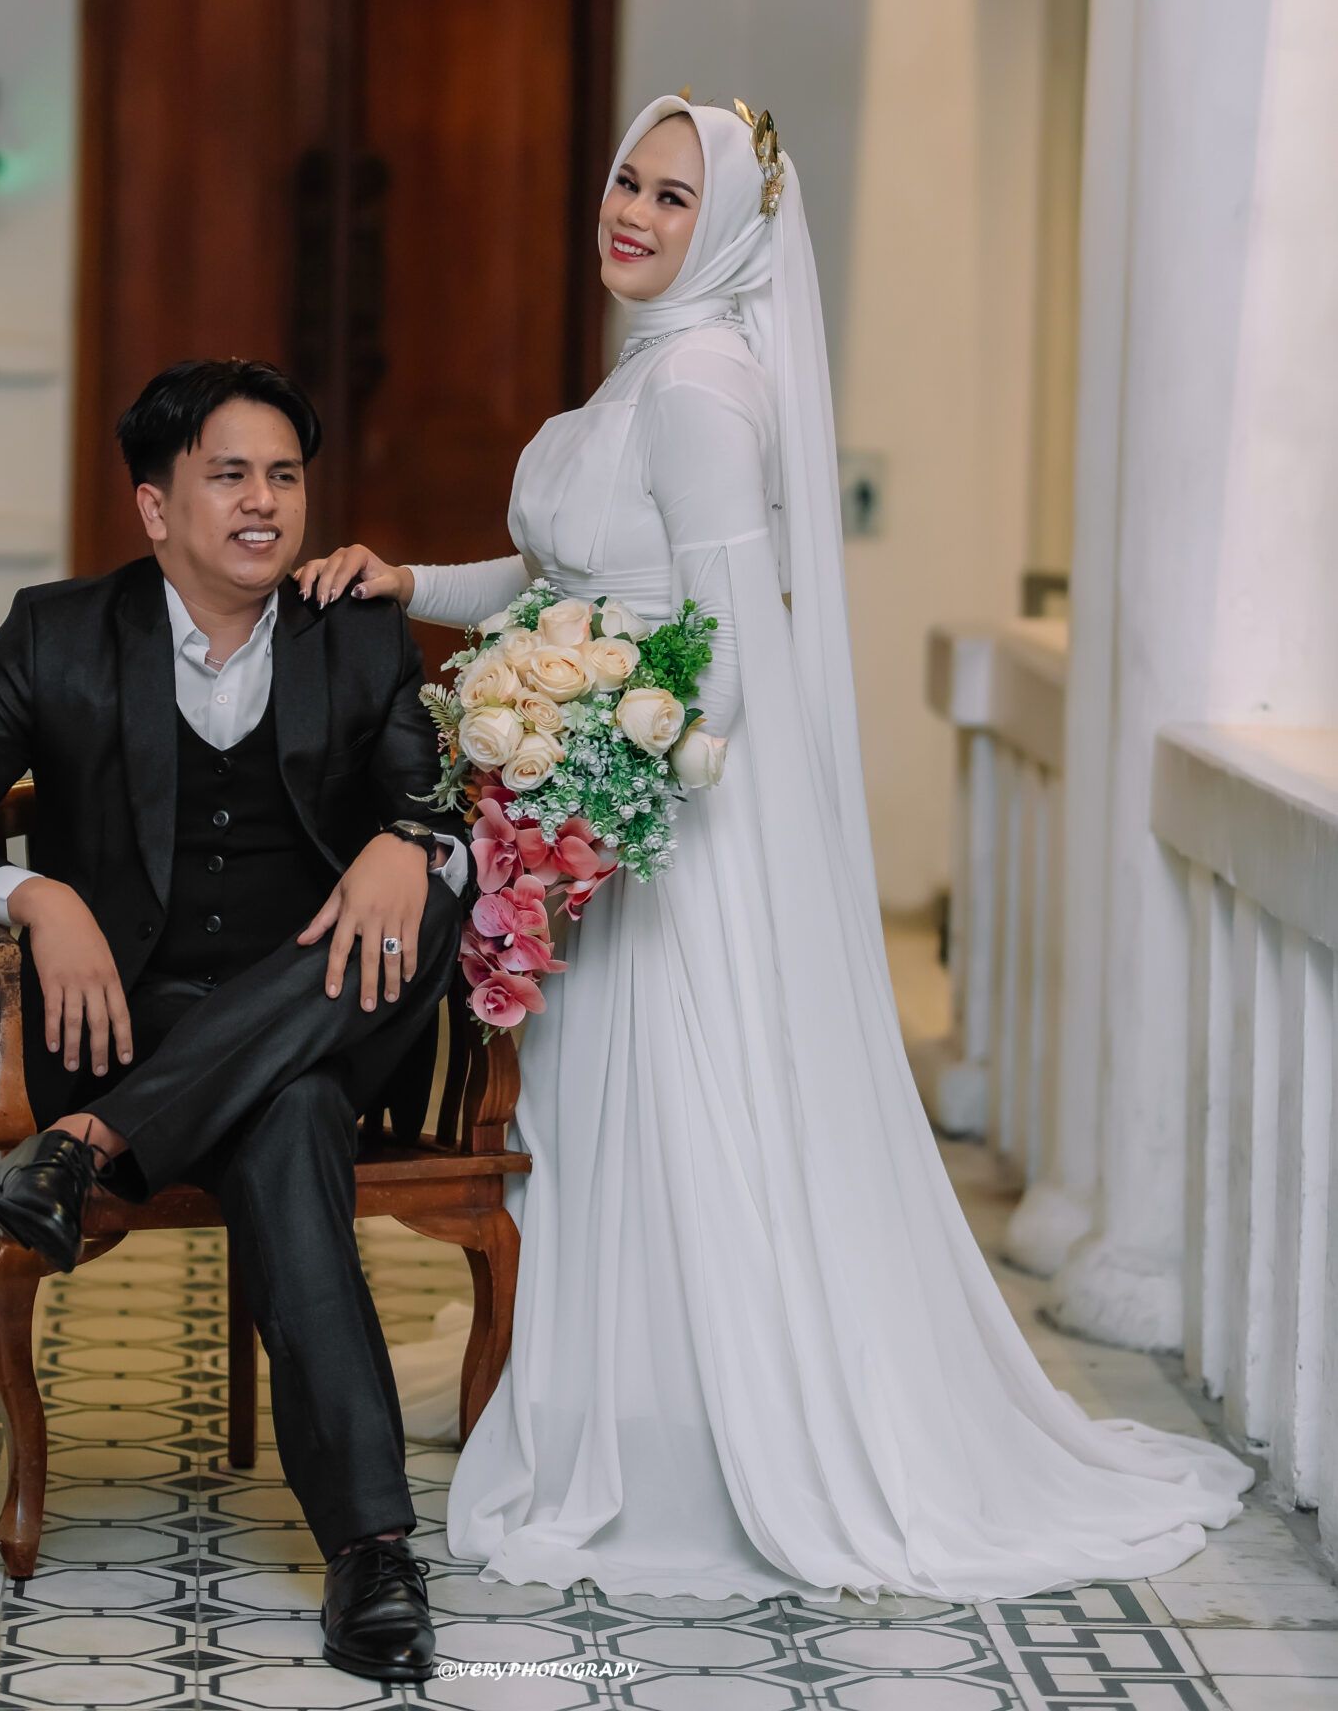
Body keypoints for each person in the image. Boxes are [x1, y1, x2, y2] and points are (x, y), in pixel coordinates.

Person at [297, 96, 1252, 1603]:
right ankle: (614, 1382)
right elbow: (559, 578)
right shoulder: (648, 371)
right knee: (600, 1117)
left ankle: (700, 1420)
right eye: (627, 181)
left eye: (674, 198)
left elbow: (728, 655)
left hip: (672, 839)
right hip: (615, 815)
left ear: (732, 229)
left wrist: (582, 781)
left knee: (685, 1116)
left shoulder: (701, 390)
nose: (633, 213)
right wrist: (410, 581)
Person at [0, 357, 469, 1683]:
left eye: (284, 476)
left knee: (405, 924)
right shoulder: (60, 634)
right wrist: (35, 896)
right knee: (291, 1115)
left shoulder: (355, 632)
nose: (263, 502)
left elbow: (440, 810)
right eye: (228, 475)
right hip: (132, 1022)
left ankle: (81, 1150)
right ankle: (372, 1552)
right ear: (153, 506)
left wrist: (408, 845)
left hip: (324, 998)